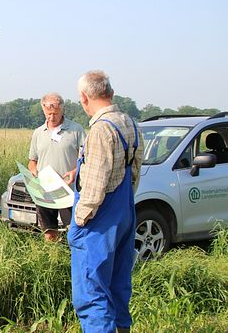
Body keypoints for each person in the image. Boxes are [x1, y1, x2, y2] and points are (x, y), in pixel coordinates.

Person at [69, 70, 143, 333]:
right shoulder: (130, 123)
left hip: (99, 219)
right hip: (124, 212)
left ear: (85, 98)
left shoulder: (101, 129)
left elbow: (96, 183)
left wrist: (79, 220)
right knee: (118, 285)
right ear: (110, 93)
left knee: (92, 293)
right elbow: (134, 172)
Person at [28, 93, 86, 241]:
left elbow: (87, 158)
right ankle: (53, 258)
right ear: (43, 110)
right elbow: (32, 160)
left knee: (73, 231)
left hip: (68, 191)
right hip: (45, 191)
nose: (52, 117)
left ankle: (73, 258)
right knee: (49, 230)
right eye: (48, 114)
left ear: (62, 110)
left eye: (55, 113)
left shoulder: (76, 130)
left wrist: (74, 171)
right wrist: (33, 170)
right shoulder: (38, 133)